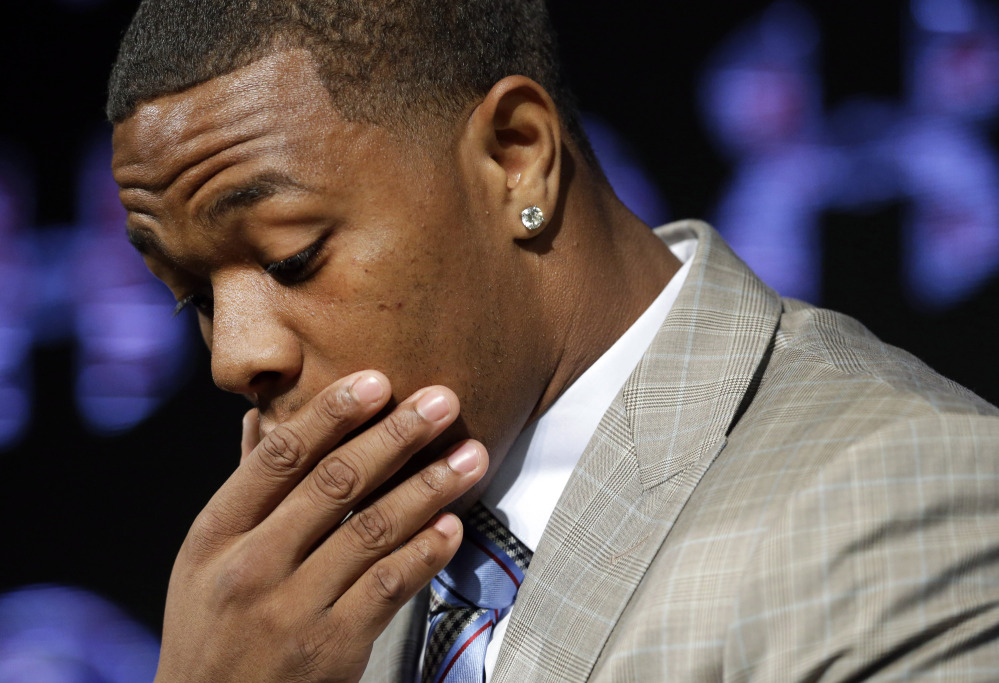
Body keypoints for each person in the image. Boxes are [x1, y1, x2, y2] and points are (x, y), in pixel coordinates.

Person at [107, 0, 999, 681]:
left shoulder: (916, 494)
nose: (235, 356)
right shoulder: (288, 610)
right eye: (193, 299)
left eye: (292, 258)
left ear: (516, 155)